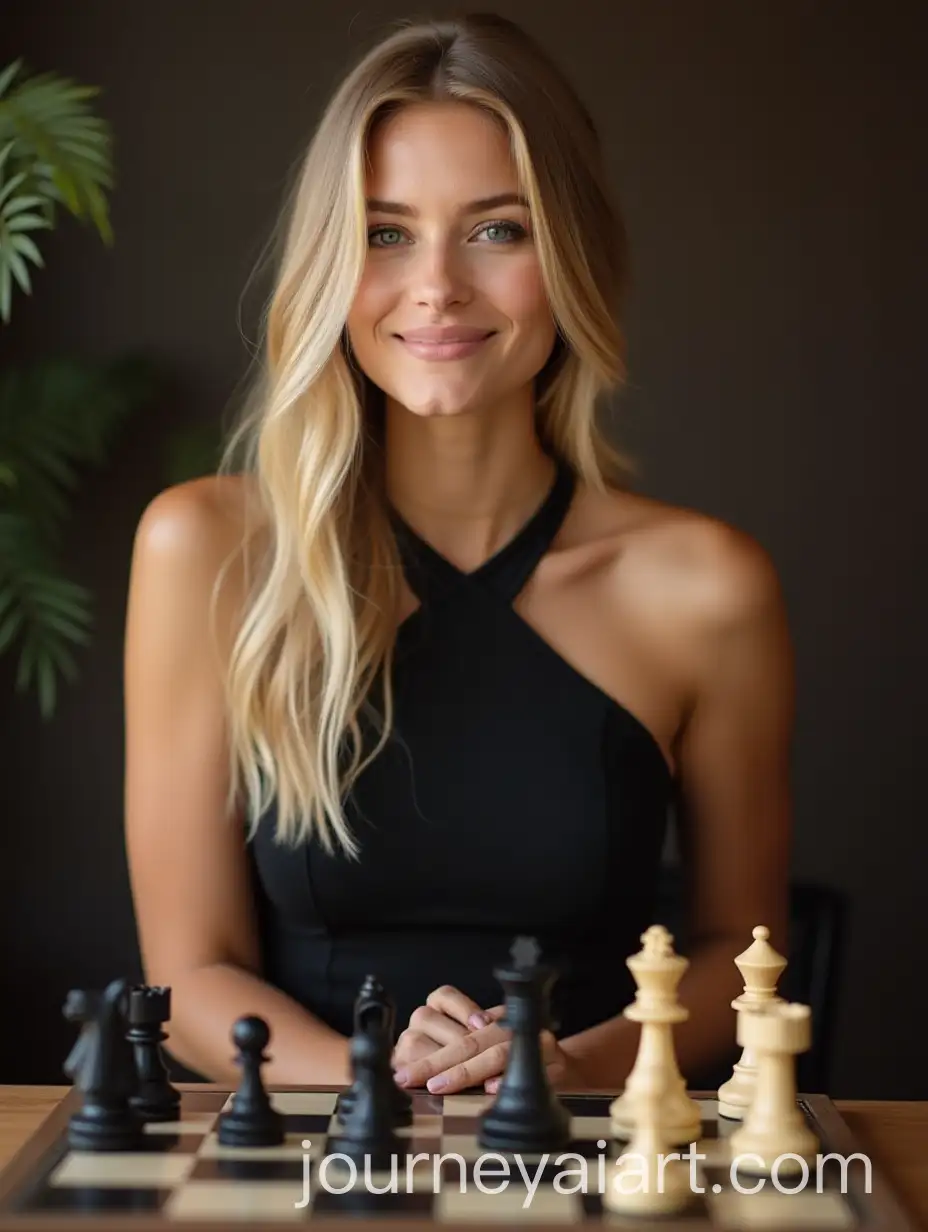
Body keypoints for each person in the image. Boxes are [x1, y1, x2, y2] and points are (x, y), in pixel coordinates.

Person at [123, 12, 793, 1096]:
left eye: (496, 229)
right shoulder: (205, 548)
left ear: (572, 252)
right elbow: (191, 969)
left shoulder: (705, 585)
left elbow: (739, 955)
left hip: (584, 1148)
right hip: (303, 1147)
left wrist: (561, 1066)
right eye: (384, 232)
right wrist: (377, 1079)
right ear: (328, 261)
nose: (435, 285)